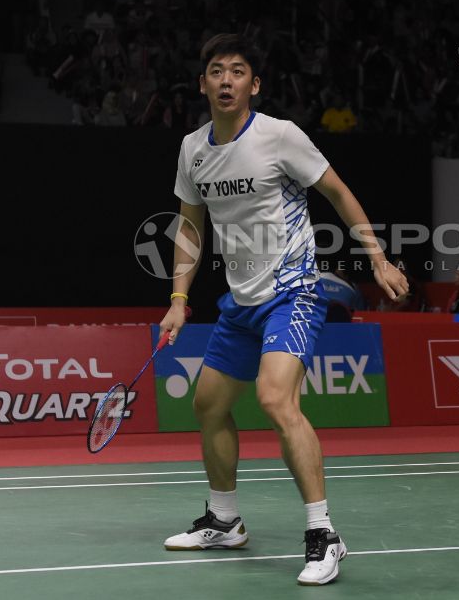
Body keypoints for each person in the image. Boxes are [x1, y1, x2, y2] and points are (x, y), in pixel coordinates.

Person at [160, 34, 407, 586]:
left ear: (255, 84)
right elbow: (191, 227)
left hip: (293, 290)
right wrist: (179, 300)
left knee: (275, 397)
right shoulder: (192, 149)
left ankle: (325, 535)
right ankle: (224, 520)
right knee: (208, 404)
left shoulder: (279, 136)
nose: (227, 81)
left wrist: (379, 259)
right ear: (202, 84)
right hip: (239, 301)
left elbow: (339, 193)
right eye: (217, 72)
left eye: (238, 71)